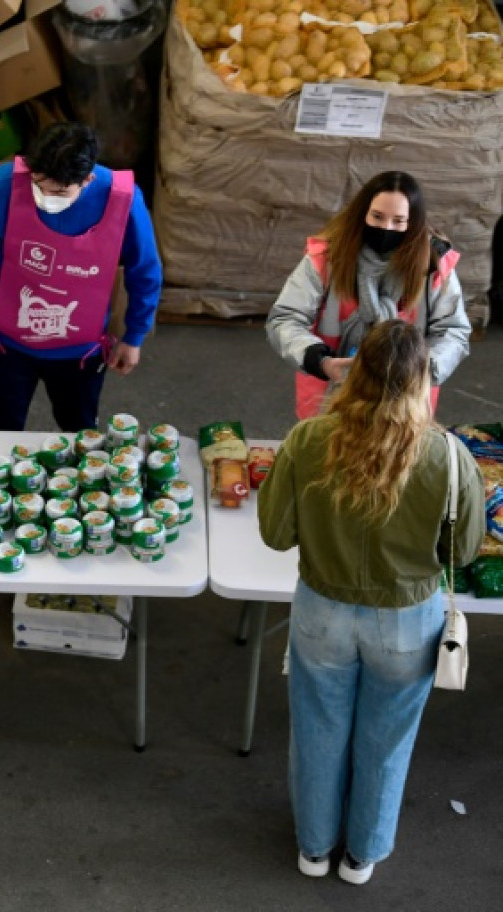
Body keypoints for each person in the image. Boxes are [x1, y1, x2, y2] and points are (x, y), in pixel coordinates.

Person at [257, 320, 483, 885]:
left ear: (356, 373)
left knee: (316, 730)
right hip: (408, 620)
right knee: (387, 741)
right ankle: (362, 855)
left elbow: (275, 533)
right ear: (421, 382)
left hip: (322, 610)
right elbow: (464, 549)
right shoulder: (449, 457)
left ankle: (313, 848)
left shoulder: (309, 439)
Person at [0, 122, 162, 617]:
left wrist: (134, 337)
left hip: (80, 355)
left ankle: (79, 541)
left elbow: (146, 271)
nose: (45, 196)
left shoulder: (123, 201)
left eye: (58, 191)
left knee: (82, 445)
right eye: (38, 183)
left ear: (86, 179)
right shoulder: (4, 184)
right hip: (8, 346)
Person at [267, 171, 471, 420]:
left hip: (405, 402)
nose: (387, 228)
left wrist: (422, 371)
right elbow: (285, 319)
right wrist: (320, 361)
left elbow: (453, 332)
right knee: (324, 454)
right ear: (362, 212)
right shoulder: (325, 258)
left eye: (399, 220)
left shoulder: (435, 266)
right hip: (329, 393)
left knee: (395, 457)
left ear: (413, 222)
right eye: (377, 216)